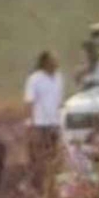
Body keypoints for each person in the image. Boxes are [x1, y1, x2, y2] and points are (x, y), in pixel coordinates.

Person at [24, 51, 64, 190]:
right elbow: (29, 102)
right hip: (40, 124)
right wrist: (30, 123)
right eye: (54, 60)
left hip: (55, 123)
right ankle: (35, 185)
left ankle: (52, 184)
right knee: (38, 156)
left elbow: (59, 100)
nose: (57, 62)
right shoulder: (34, 79)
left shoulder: (59, 77)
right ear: (45, 62)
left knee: (54, 155)